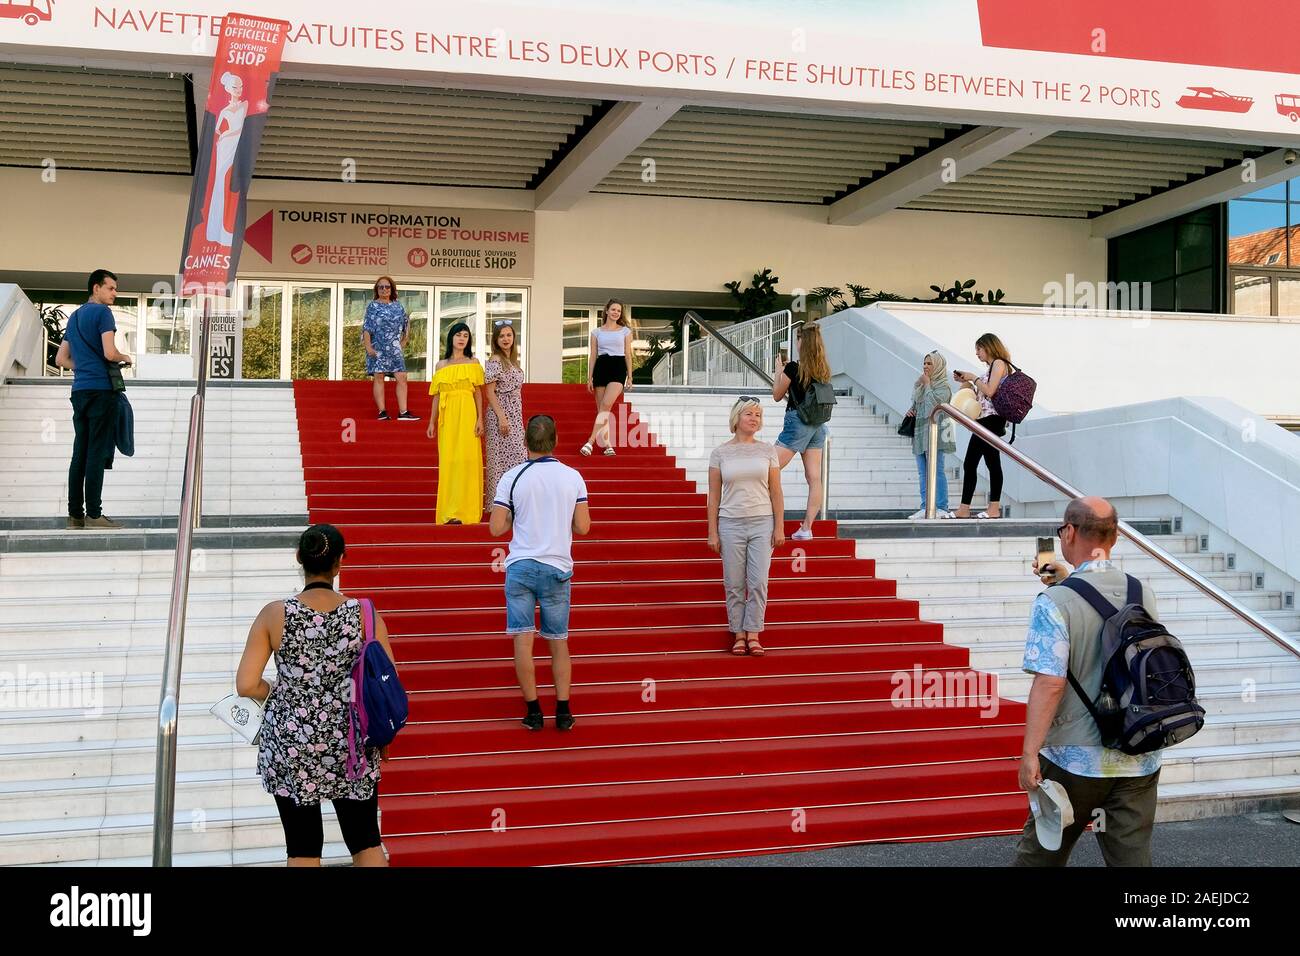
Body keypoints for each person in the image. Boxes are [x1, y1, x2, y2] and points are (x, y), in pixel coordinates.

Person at [1013, 496, 1163, 867]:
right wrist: (1069, 579)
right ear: (1114, 536)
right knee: (1131, 860)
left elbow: (1050, 683)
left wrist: (1030, 753)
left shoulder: (1054, 602)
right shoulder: (1141, 591)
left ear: (1068, 532)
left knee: (1041, 856)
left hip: (1074, 757)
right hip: (1138, 751)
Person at [236, 524, 395, 867]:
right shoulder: (366, 615)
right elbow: (387, 683)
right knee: (366, 840)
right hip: (353, 740)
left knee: (303, 846)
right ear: (339, 563)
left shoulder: (274, 615)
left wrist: (281, 691)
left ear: (298, 558)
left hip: (293, 744)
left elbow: (247, 685)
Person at [490, 415, 591, 731]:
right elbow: (583, 527)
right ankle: (563, 710)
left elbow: (496, 528)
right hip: (557, 566)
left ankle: (533, 711)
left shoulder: (512, 477)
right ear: (556, 441)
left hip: (520, 566)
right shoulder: (573, 476)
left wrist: (514, 519)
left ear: (525, 442)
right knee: (558, 641)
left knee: (523, 640)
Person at [707, 397, 785, 657]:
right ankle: (738, 633)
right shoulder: (720, 453)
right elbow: (714, 496)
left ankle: (753, 632)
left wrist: (779, 527)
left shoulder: (767, 451)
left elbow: (776, 491)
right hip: (730, 523)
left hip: (763, 522)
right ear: (737, 418)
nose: (754, 418)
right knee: (734, 582)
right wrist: (712, 531)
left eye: (758, 415)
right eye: (749, 414)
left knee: (759, 581)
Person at [55, 269, 131, 530]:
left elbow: (60, 359)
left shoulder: (74, 317)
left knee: (80, 453)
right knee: (96, 453)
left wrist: (84, 367)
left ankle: (75, 515)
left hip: (80, 392)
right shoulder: (102, 313)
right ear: (96, 288)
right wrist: (127, 357)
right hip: (101, 391)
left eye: (115, 289)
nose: (114, 293)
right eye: (110, 288)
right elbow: (110, 353)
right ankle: (95, 515)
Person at [771, 322, 831, 541]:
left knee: (768, 466)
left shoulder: (793, 368)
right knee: (814, 478)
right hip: (818, 425)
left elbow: (777, 395)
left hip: (797, 422)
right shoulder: (823, 369)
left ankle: (763, 517)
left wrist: (778, 372)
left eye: (797, 339)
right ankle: (806, 528)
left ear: (801, 342)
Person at [427, 322, 484, 524]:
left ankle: (466, 512)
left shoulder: (474, 362)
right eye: (458, 334)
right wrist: (432, 422)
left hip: (467, 412)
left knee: (467, 460)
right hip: (447, 415)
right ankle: (449, 512)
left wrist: (480, 418)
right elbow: (436, 395)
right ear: (451, 337)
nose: (462, 338)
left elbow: (478, 392)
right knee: (449, 462)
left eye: (466, 336)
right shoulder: (440, 365)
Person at [952, 332, 1012, 519]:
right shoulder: (992, 367)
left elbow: (990, 391)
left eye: (979, 349)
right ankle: (989, 508)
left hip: (991, 420)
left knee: (972, 463)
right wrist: (968, 382)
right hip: (986, 420)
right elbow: (983, 396)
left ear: (988, 347)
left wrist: (973, 377)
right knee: (991, 463)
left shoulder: (999, 363)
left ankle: (969, 508)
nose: (977, 353)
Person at [905, 350, 955, 519]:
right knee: (922, 471)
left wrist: (927, 385)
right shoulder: (921, 386)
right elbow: (919, 406)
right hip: (920, 433)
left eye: (929, 363)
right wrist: (912, 410)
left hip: (936, 434)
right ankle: (925, 505)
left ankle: (941, 506)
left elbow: (932, 407)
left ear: (938, 366)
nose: (925, 366)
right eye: (924, 363)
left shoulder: (944, 387)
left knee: (937, 470)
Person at [581, 298, 633, 456]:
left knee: (606, 404)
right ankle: (608, 445)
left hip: (618, 367)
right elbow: (593, 355)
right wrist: (589, 377)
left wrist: (630, 376)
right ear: (607, 311)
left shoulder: (625, 331)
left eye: (618, 310)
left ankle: (590, 441)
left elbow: (628, 354)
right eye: (613, 309)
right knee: (602, 409)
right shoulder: (596, 332)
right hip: (601, 367)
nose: (616, 312)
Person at [484, 319, 527, 509]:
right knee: (499, 459)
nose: (506, 339)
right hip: (499, 413)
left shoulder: (513, 361)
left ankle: (514, 500)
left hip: (515, 413)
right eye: (501, 336)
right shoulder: (494, 361)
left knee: (518, 456)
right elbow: (489, 392)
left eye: (509, 335)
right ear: (495, 340)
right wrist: (502, 416)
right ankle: (498, 504)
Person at [362, 276, 417, 422]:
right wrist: (368, 347)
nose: (384, 289)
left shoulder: (398, 306)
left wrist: (404, 339)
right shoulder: (372, 306)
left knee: (402, 377)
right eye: (381, 287)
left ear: (392, 289)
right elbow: (367, 328)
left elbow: (406, 323)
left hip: (394, 348)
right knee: (379, 376)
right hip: (377, 347)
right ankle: (382, 411)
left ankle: (403, 412)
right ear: (377, 290)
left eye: (387, 287)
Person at [206, 71, 247, 246]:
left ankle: (227, 230)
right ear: (228, 89)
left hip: (236, 144)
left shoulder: (245, 105)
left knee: (231, 183)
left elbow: (238, 128)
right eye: (234, 87)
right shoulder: (224, 110)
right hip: (225, 146)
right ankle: (217, 229)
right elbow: (217, 130)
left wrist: (229, 133)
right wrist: (224, 136)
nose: (238, 90)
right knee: (220, 182)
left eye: (240, 86)